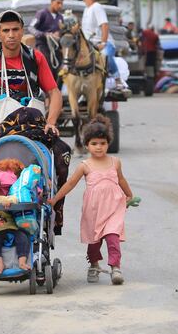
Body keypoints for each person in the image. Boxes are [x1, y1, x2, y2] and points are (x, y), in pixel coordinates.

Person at [48, 115, 133, 285]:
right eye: (94, 144)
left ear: (108, 143)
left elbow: (121, 180)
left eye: (102, 143)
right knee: (94, 241)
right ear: (86, 145)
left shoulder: (115, 162)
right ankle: (94, 264)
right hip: (94, 209)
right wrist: (55, 198)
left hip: (114, 206)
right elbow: (71, 183)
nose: (99, 147)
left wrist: (129, 194)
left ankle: (115, 267)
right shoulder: (85, 166)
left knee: (112, 237)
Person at [0, 10, 62, 144]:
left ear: (22, 31)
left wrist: (51, 123)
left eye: (15, 29)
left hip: (32, 128)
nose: (11, 35)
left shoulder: (36, 57)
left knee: (59, 155)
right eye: (6, 30)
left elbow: (54, 92)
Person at [81, 0, 119, 78]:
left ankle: (118, 79)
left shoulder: (97, 7)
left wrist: (103, 43)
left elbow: (104, 25)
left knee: (104, 56)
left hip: (103, 43)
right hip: (90, 45)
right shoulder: (86, 10)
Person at [29, 0, 64, 73]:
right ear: (52, 2)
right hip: (43, 45)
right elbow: (31, 27)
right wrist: (45, 34)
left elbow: (62, 31)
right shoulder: (42, 13)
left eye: (61, 3)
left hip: (56, 46)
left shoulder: (60, 17)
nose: (60, 6)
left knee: (62, 66)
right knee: (47, 65)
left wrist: (59, 33)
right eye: (58, 3)